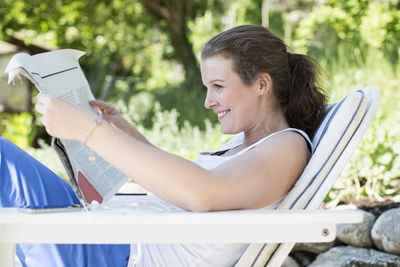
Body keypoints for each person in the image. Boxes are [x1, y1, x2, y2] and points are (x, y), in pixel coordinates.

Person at [0, 25, 326, 266]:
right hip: (109, 238)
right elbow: (185, 187)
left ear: (261, 84)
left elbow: (203, 194)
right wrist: (126, 133)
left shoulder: (288, 147)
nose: (208, 102)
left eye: (218, 86)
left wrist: (90, 131)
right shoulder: (247, 145)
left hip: (117, 253)